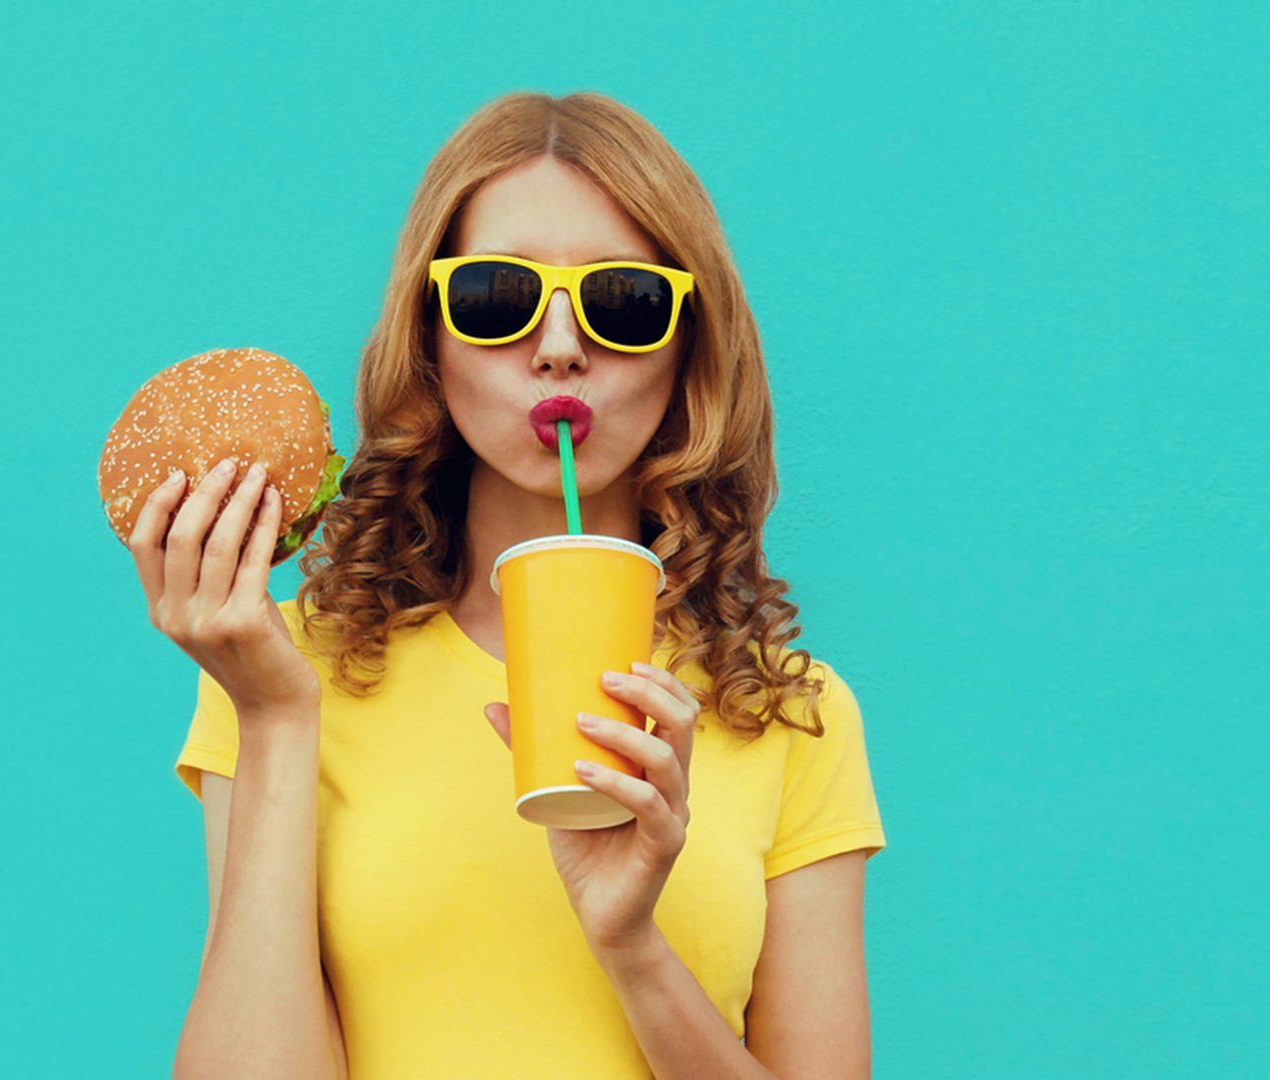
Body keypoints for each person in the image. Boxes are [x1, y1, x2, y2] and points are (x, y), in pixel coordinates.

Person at [131, 91, 887, 1079]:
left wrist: (632, 947)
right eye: (496, 296)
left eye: (623, 302)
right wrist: (273, 720)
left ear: (688, 349)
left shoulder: (791, 715)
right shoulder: (284, 669)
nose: (561, 346)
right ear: (430, 340)